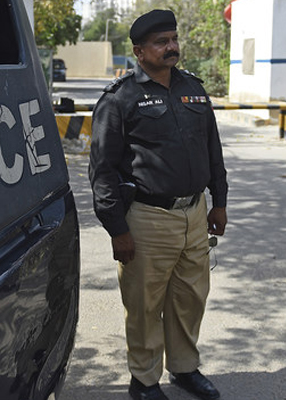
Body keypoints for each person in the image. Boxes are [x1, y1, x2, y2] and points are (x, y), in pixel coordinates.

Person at [88, 9, 227, 400]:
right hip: (147, 217)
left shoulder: (193, 89)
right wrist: (117, 228)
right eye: (161, 42)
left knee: (190, 297)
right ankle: (144, 381)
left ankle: (184, 369)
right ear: (139, 50)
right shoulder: (121, 99)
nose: (172, 47)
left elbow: (212, 149)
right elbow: (102, 169)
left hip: (195, 213)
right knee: (145, 304)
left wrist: (220, 201)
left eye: (174, 39)